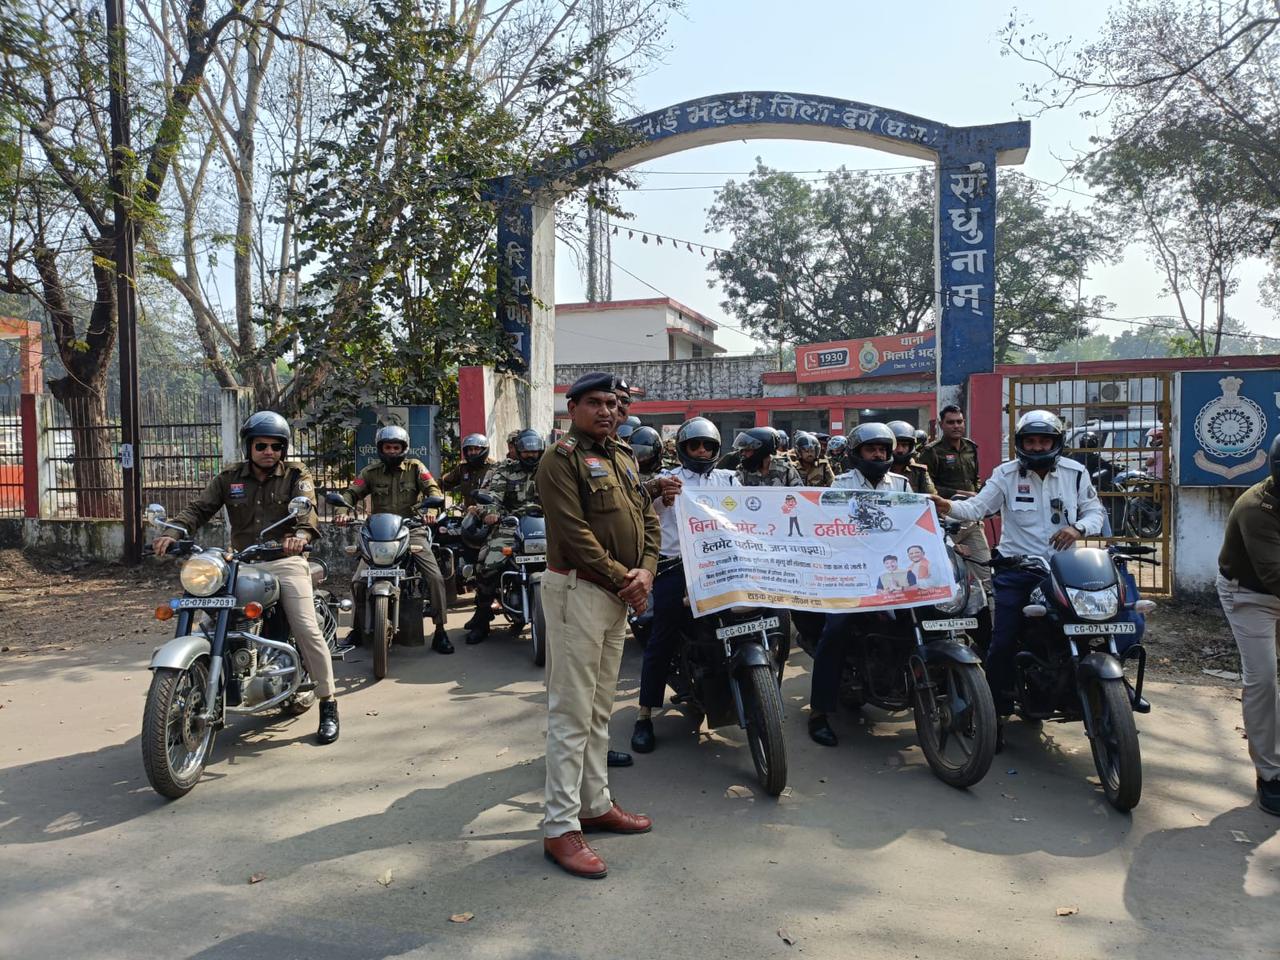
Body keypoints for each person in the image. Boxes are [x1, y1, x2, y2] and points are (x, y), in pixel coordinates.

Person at [153, 411, 340, 745]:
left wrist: (299, 535)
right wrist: (172, 532)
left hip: (285, 559)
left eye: (275, 446)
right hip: (239, 560)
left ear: (284, 448)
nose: (268, 451)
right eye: (261, 445)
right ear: (249, 446)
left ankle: (328, 703)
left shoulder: (296, 474)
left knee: (306, 628)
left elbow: (307, 509)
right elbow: (198, 509)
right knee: (212, 620)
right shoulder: (229, 477)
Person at [535, 372, 658, 879]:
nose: (606, 410)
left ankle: (595, 804)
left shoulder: (624, 455)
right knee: (571, 713)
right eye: (594, 403)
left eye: (612, 403)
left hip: (617, 594)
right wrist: (622, 579)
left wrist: (646, 570)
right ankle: (560, 828)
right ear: (573, 407)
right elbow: (574, 532)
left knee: (601, 709)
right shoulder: (559, 460)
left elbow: (648, 518)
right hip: (578, 592)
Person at [931, 409, 1106, 745]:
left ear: (1056, 442)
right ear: (1021, 443)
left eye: (1044, 441)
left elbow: (1094, 510)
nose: (1038, 447)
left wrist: (1077, 527)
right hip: (1018, 570)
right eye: (1031, 441)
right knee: (1003, 641)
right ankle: (994, 712)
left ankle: (1096, 687)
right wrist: (945, 505)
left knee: (1094, 626)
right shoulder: (1006, 475)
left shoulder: (1076, 472)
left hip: (1066, 569)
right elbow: (977, 508)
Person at [630, 416, 737, 755]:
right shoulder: (667, 480)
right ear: (683, 449)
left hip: (725, 566)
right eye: (695, 445)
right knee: (662, 634)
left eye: (708, 445)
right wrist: (659, 495)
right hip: (677, 567)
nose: (702, 451)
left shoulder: (730, 479)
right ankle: (645, 714)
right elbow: (636, 509)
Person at [807, 423, 909, 747]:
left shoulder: (903, 484)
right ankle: (819, 712)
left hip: (894, 573)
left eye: (883, 449)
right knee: (835, 631)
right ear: (856, 454)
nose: (878, 454)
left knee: (922, 620)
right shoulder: (841, 485)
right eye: (871, 449)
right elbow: (829, 527)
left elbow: (916, 524)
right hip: (853, 574)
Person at [337, 425, 453, 654]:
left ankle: (440, 630)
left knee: (434, 577)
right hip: (379, 533)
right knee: (359, 581)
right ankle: (357, 630)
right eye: (387, 447)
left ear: (404, 448)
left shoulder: (415, 468)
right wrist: (342, 509)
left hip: (411, 529)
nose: (391, 451)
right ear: (381, 449)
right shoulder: (371, 471)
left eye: (396, 447)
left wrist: (430, 510)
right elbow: (351, 492)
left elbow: (434, 491)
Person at [1216, 435, 1280, 815]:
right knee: (1263, 678)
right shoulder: (1258, 508)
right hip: (1251, 595)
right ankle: (1270, 774)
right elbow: (1273, 575)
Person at [464, 429, 545, 645]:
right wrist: (490, 513)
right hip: (511, 525)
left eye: (535, 451)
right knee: (487, 565)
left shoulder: (551, 468)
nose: (531, 456)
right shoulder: (503, 470)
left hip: (548, 524)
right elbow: (492, 497)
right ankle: (482, 618)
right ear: (518, 451)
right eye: (526, 452)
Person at [920, 404, 991, 592]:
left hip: (972, 520)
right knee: (949, 573)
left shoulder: (971, 447)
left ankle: (986, 614)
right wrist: (957, 493)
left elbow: (974, 477)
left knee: (985, 573)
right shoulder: (932, 451)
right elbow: (926, 487)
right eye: (950, 422)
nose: (956, 426)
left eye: (959, 421)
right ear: (941, 425)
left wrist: (976, 494)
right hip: (946, 522)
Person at [439, 433, 494, 508]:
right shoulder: (463, 468)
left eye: (477, 449)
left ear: (484, 450)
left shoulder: (493, 468)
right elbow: (444, 482)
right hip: (468, 514)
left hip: (489, 514)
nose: (473, 452)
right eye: (470, 449)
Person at [734, 427, 802, 487]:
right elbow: (733, 494)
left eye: (747, 450)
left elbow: (800, 494)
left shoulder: (785, 470)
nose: (743, 454)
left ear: (761, 450)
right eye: (742, 450)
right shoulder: (742, 471)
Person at [886, 420, 936, 494]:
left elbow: (932, 498)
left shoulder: (919, 472)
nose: (900, 450)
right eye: (896, 445)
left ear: (911, 446)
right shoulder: (880, 470)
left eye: (904, 445)